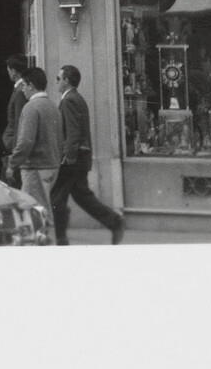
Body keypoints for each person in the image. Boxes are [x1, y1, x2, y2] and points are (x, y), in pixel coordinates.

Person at [52, 65, 125, 244]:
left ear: (66, 81)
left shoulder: (69, 100)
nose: (56, 82)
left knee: (56, 197)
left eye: (58, 78)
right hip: (79, 158)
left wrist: (68, 156)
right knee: (81, 195)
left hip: (73, 160)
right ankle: (114, 222)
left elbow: (73, 131)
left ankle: (61, 238)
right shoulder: (76, 98)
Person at [7, 65, 62, 237]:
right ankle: (43, 240)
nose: (22, 89)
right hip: (52, 165)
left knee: (32, 210)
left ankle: (37, 244)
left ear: (31, 85)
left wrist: (12, 163)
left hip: (35, 167)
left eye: (24, 85)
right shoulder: (53, 106)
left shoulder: (31, 107)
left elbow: (26, 141)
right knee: (42, 208)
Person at [1, 54, 32, 188]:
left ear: (14, 71)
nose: (8, 73)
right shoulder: (19, 90)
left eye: (8, 70)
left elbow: (19, 122)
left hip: (13, 144)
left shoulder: (19, 92)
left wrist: (14, 152)